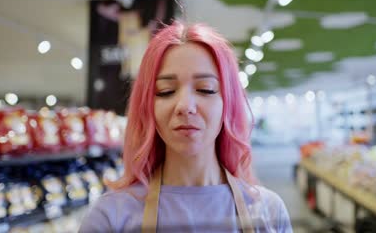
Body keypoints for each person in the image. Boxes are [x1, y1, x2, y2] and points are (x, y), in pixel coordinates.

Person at [79, 22, 292, 232]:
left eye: (205, 89)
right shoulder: (110, 217)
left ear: (228, 103)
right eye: (165, 90)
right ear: (147, 107)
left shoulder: (268, 213)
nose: (185, 106)